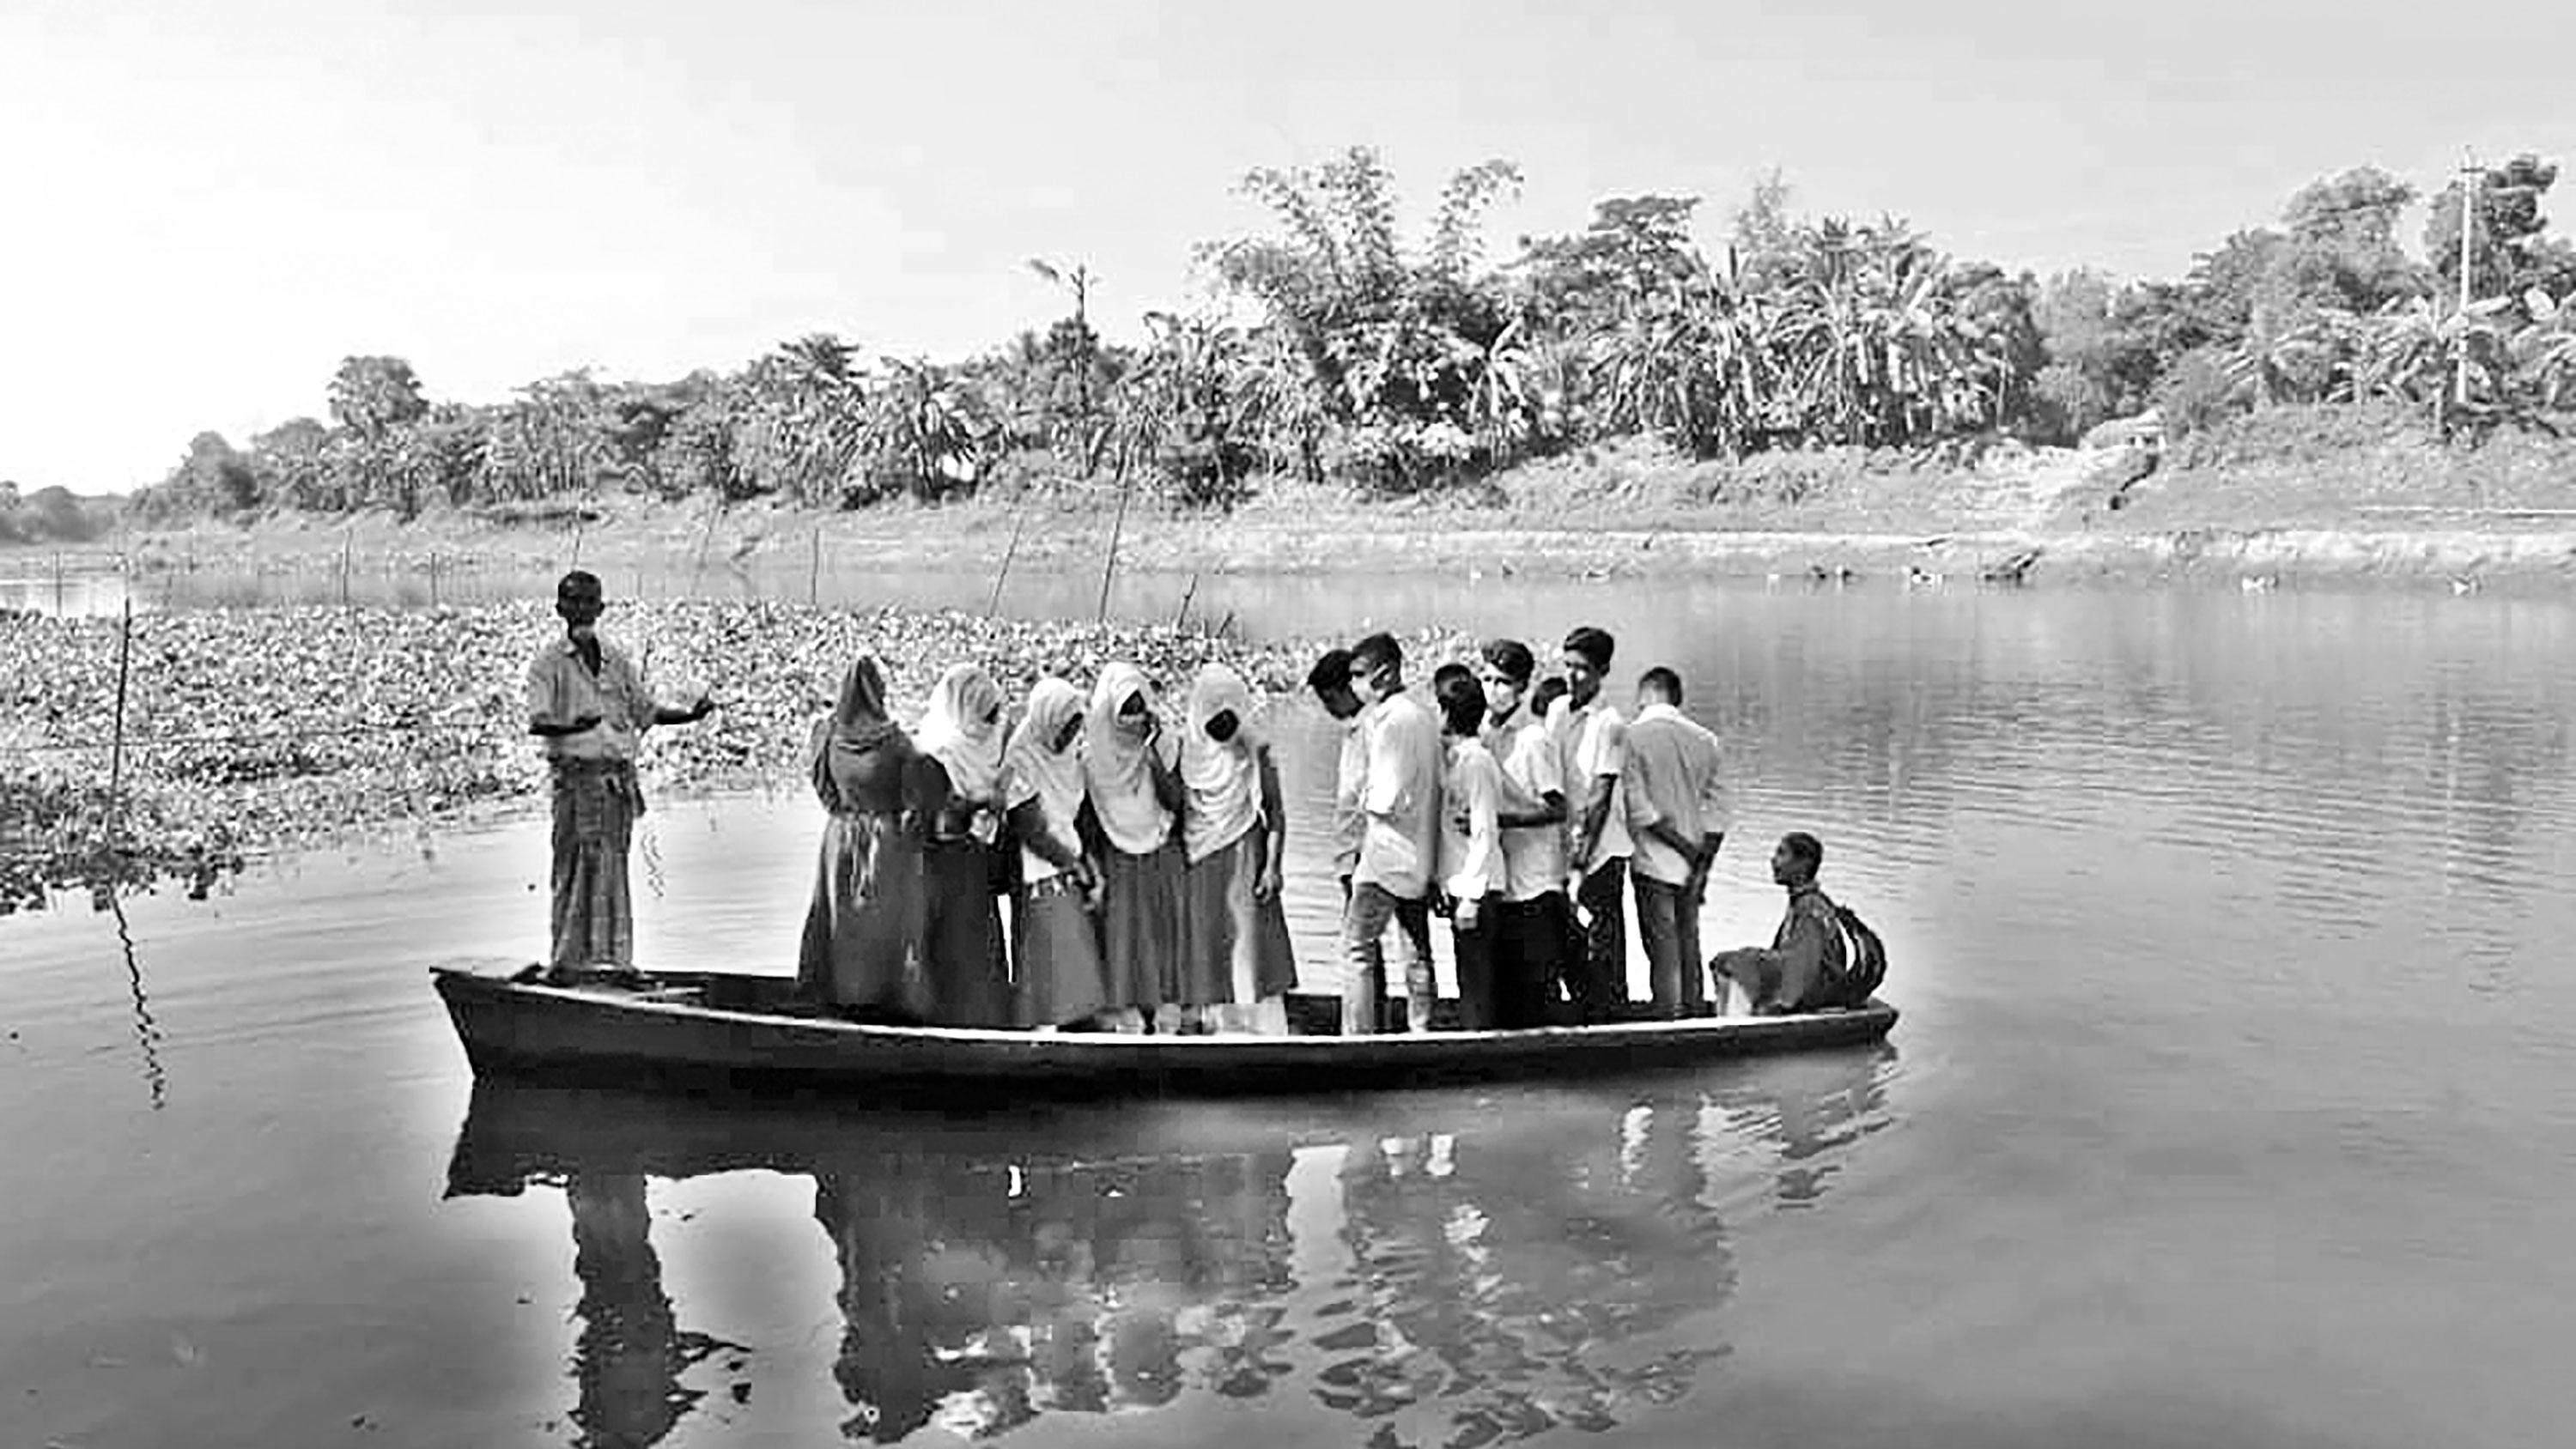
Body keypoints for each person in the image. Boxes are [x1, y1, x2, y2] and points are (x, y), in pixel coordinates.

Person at [525, 569, 713, 982]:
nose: (581, 610)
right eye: (573, 602)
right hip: (575, 784)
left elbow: (646, 712)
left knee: (612, 871)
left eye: (589, 602)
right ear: (559, 609)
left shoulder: (615, 661)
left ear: (600, 608)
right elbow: (538, 722)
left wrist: (690, 716)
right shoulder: (548, 664)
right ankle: (567, 964)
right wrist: (575, 725)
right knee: (573, 870)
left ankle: (615, 963)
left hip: (615, 786)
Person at [796, 654, 937, 1019]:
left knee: (842, 917)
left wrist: (847, 816)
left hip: (839, 839)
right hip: (885, 842)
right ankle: (883, 999)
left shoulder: (826, 734)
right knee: (883, 919)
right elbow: (915, 802)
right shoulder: (895, 741)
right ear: (879, 691)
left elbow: (825, 791)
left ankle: (843, 998)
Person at [1176, 663, 1297, 1034]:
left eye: (1229, 717)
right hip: (1200, 861)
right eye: (1215, 719)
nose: (1222, 726)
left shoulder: (1255, 751)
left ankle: (1258, 1029)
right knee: (1211, 942)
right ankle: (1215, 1025)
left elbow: (1275, 811)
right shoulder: (1186, 753)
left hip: (1246, 856)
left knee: (1250, 945)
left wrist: (1273, 867)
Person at [1342, 632, 1442, 1034]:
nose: (1354, 684)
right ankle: (1422, 1028)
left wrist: (1362, 793)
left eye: (1358, 675)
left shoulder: (1393, 723)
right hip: (1419, 853)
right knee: (1416, 949)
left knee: (1357, 948)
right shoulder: (1421, 717)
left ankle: (1358, 1036)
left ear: (1383, 675)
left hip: (1386, 856)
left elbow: (1382, 799)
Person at [1002, 677, 1113, 1031]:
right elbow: (1031, 829)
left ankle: (1073, 1021)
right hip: (1037, 869)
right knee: (1053, 944)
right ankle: (1048, 1023)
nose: (1071, 736)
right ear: (1048, 720)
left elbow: (1073, 819)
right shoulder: (1022, 757)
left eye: (1076, 727)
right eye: (1066, 727)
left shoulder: (1067, 758)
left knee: (1076, 948)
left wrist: (1090, 866)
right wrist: (1073, 865)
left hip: (1067, 861)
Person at [1082, 663, 1186, 1032]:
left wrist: (1152, 753)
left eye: (1140, 708)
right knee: (1124, 939)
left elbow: (1175, 801)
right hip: (1116, 857)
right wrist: (1094, 874)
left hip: (1160, 851)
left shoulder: (1165, 745)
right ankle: (1126, 1014)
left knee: (1164, 936)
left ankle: (1167, 1010)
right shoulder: (1093, 760)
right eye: (1126, 709)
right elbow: (1087, 825)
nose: (1134, 717)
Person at [1622, 666, 1729, 1019]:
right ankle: (1695, 1015)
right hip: (1693, 866)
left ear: (1644, 696)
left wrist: (1682, 847)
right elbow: (1719, 812)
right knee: (1689, 943)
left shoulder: (1632, 737)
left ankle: (1668, 1020)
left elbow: (1641, 811)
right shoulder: (1707, 740)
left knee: (1663, 951)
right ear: (1677, 698)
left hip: (1653, 861)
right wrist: (1701, 861)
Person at [1476, 640, 1569, 1029]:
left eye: (1502, 682)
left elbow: (1557, 808)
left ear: (1522, 688)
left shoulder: (1533, 738)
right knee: (1504, 984)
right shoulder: (1482, 734)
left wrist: (1502, 820)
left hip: (1533, 880)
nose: (1492, 689)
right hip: (1499, 878)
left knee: (1536, 984)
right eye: (1487, 679)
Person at [912, 663, 1011, 1026]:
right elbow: (935, 825)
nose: (994, 722)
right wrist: (979, 802)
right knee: (950, 956)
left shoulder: (992, 756)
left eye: (995, 713)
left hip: (975, 875)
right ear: (962, 712)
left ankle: (987, 1026)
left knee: (980, 957)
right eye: (986, 715)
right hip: (942, 878)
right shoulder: (934, 761)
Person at [1548, 626, 1632, 1022]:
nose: (1572, 675)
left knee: (1604, 938)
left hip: (1601, 849)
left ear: (1602, 671)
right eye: (1567, 665)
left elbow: (1599, 797)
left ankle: (1612, 1015)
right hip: (1562, 843)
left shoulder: (1610, 724)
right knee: (1568, 936)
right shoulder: (1556, 711)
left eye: (1582, 668)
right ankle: (1583, 1010)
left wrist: (1580, 863)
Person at [1435, 670, 1508, 1029]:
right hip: (1459, 882)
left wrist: (1472, 896)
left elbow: (1484, 830)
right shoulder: (1455, 758)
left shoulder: (1476, 762)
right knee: (1468, 972)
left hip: (1476, 887)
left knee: (1476, 976)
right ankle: (1473, 1034)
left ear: (1447, 713)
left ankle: (1479, 1043)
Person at [1709, 832, 1847, 1016]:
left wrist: (1781, 1005)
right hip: (1809, 979)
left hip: (1817, 988)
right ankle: (1728, 1017)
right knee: (1723, 961)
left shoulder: (1810, 906)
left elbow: (1803, 963)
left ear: (1803, 864)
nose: (1773, 861)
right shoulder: (1802, 900)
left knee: (1737, 962)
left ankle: (1736, 1024)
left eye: (1782, 854)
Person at [1305, 648, 1367, 896]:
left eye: (1331, 700)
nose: (1329, 710)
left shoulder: (1374, 730)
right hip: (1354, 856)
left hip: (1367, 858)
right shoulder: (1354, 731)